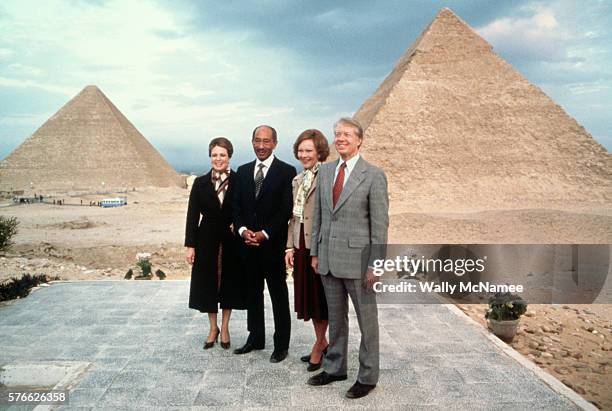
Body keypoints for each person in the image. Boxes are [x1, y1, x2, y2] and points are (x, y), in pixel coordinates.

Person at [307, 117, 389, 399]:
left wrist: (375, 264)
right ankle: (335, 368)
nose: (340, 138)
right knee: (337, 319)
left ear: (359, 140)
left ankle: (367, 376)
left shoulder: (374, 175)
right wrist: (315, 253)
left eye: (346, 134)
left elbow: (380, 226)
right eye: (337, 134)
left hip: (359, 263)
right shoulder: (327, 171)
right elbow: (318, 216)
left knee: (368, 322)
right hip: (329, 259)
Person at [232, 125, 296, 363]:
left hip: (272, 247)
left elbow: (285, 210)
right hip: (248, 246)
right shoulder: (243, 170)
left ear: (275, 143)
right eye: (257, 140)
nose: (261, 145)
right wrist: (242, 231)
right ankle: (255, 338)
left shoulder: (286, 171)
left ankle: (281, 345)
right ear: (251, 142)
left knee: (278, 296)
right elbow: (235, 206)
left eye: (266, 141)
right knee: (253, 295)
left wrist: (265, 233)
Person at [184, 137, 245, 350]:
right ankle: (213, 327)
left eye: (222, 155)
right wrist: (190, 245)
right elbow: (192, 215)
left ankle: (226, 327)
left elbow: (244, 209)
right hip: (206, 238)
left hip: (230, 239)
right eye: (214, 155)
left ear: (229, 156)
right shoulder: (200, 183)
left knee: (229, 282)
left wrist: (238, 225)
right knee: (208, 283)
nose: (218, 159)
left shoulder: (239, 181)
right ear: (210, 157)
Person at [285, 129, 330, 372]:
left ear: (319, 151)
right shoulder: (298, 180)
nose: (304, 155)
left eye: (309, 151)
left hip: (319, 246)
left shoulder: (328, 176)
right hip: (301, 244)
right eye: (301, 150)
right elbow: (295, 217)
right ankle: (321, 342)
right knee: (310, 299)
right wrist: (290, 246)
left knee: (321, 298)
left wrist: (320, 249)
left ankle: (319, 345)